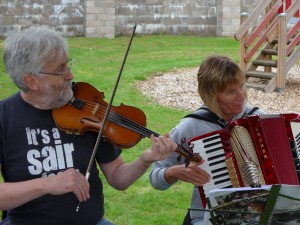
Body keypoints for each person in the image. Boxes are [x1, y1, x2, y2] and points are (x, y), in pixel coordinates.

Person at [0, 27, 178, 225]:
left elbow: (118, 178)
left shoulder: (88, 110)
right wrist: (48, 184)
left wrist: (145, 160)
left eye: (68, 65)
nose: (70, 75)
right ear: (31, 81)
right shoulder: (4, 118)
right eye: (60, 70)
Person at [149, 55, 266, 225]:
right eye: (230, 92)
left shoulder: (258, 119)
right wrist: (172, 172)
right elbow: (155, 177)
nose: (242, 96)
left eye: (241, 86)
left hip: (258, 214)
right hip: (208, 217)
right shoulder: (191, 127)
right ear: (211, 95)